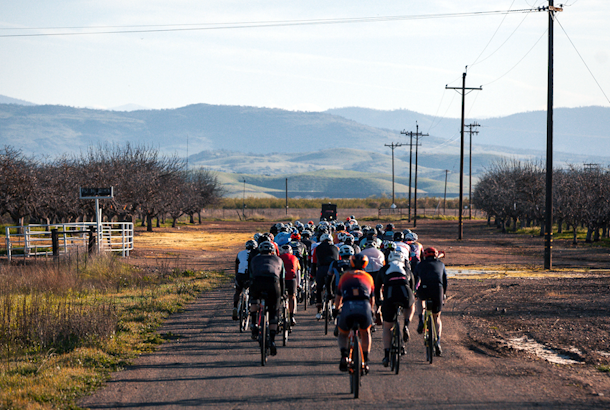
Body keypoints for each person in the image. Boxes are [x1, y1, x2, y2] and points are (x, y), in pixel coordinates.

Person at [335, 254, 375, 373]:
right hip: (364, 307)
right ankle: (365, 360)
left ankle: (344, 355)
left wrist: (336, 309)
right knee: (365, 332)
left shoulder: (345, 276)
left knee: (342, 334)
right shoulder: (369, 277)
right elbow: (372, 299)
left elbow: (338, 297)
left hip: (348, 306)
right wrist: (371, 310)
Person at [376, 250, 416, 367]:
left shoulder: (384, 269)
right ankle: (406, 324)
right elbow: (412, 287)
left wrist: (379, 301)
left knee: (387, 327)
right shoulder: (406, 269)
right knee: (411, 304)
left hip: (390, 294)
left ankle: (386, 354)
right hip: (405, 292)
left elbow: (377, 287)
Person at [249, 241, 286, 356]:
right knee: (274, 311)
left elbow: (250, 275)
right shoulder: (279, 260)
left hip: (257, 282)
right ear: (272, 251)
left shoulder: (255, 259)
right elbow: (282, 279)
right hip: (273, 283)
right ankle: (273, 340)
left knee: (254, 300)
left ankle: (254, 323)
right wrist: (283, 293)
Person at [414, 247, 447, 357]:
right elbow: (445, 280)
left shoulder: (420, 264)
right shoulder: (441, 265)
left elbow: (415, 278)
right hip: (438, 290)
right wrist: (444, 294)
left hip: (424, 288)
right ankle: (437, 341)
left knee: (419, 299)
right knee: (436, 317)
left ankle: (420, 318)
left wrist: (415, 290)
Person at [311, 233, 339, 320]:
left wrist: (313, 275)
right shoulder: (336, 248)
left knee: (319, 288)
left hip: (321, 269)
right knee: (335, 287)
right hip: (333, 268)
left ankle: (319, 310)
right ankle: (334, 304)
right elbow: (339, 260)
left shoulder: (317, 248)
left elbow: (314, 262)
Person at [233, 240, 257, 320]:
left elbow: (237, 265)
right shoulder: (256, 254)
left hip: (240, 275)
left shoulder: (240, 253)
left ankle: (235, 307)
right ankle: (250, 305)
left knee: (238, 291)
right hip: (249, 276)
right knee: (252, 291)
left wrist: (236, 275)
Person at [279, 244, 301, 326]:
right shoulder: (295, 258)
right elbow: (298, 271)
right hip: (292, 280)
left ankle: (276, 317)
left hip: (281, 280)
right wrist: (298, 284)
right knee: (292, 296)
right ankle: (292, 316)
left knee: (278, 297)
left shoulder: (278, 258)